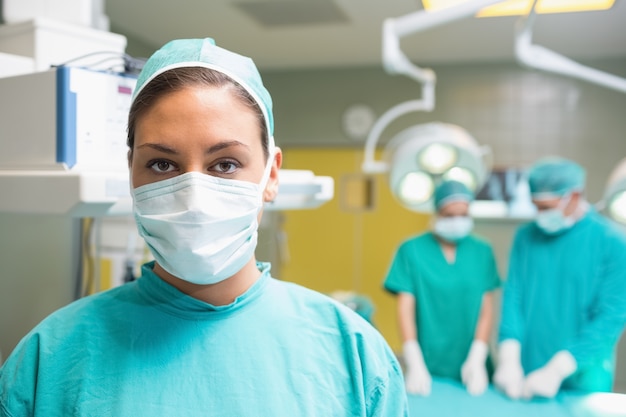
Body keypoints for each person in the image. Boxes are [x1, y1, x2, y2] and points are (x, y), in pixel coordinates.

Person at [0, 38, 408, 416]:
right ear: (132, 173)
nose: (193, 196)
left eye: (225, 164)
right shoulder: (48, 359)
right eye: (162, 164)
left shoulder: (354, 357)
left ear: (270, 175)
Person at [494, 157, 626, 400]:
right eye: (536, 206)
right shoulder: (526, 237)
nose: (540, 214)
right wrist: (509, 356)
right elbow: (513, 296)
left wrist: (557, 370)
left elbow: (612, 316)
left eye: (547, 207)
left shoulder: (613, 242)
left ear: (575, 196)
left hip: (584, 378)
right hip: (527, 373)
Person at [383, 180, 501, 397]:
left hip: (473, 364)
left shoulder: (482, 250)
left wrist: (477, 356)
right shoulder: (412, 250)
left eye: (463, 214)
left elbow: (486, 310)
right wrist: (414, 361)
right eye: (449, 214)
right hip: (428, 364)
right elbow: (405, 310)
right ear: (436, 213)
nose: (457, 220)